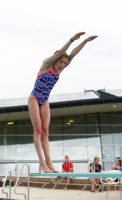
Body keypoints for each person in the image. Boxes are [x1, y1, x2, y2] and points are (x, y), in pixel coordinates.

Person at [28, 32, 98, 173]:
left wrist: (85, 41)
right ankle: (42, 163)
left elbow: (72, 55)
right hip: (34, 98)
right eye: (60, 62)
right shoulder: (45, 65)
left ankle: (49, 163)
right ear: (55, 60)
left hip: (45, 100)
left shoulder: (60, 70)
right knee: (38, 128)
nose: (62, 65)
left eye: (64, 64)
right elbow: (62, 52)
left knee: (46, 131)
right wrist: (71, 39)